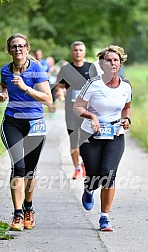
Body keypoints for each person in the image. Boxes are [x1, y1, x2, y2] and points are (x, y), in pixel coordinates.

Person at [0, 33, 52, 231]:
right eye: (14, 46)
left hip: (35, 122)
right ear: (9, 50)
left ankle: (29, 208)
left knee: (30, 169)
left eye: (21, 46)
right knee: (18, 166)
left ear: (27, 49)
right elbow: (4, 85)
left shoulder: (37, 69)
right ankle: (18, 214)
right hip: (12, 122)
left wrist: (26, 88)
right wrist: (3, 94)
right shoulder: (5, 70)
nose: (18, 49)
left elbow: (48, 99)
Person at [73, 45, 132, 231]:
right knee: (93, 175)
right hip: (91, 135)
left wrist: (127, 119)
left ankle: (104, 217)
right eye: (109, 60)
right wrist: (92, 116)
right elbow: (77, 107)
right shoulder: (93, 84)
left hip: (115, 135)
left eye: (116, 60)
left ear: (120, 63)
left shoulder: (126, 86)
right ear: (102, 63)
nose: (112, 63)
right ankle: (89, 189)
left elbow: (127, 107)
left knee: (108, 174)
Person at [56, 41, 97, 179]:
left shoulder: (91, 68)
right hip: (71, 110)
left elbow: (97, 87)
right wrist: (60, 92)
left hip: (87, 111)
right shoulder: (66, 69)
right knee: (73, 139)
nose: (78, 52)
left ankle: (85, 164)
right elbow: (60, 86)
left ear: (84, 52)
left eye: (80, 50)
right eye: (75, 50)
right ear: (71, 52)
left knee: (87, 140)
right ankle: (77, 168)